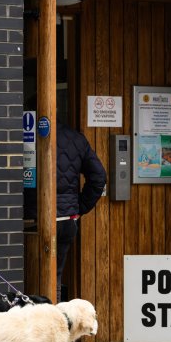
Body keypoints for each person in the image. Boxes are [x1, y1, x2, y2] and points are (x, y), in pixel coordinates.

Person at [52, 120, 106, 301]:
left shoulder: (28, 133)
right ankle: (54, 321)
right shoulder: (76, 138)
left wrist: (79, 207)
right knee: (55, 278)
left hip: (33, 220)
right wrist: (77, 209)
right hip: (67, 220)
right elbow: (99, 176)